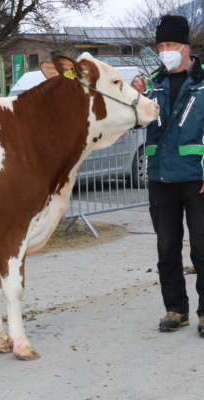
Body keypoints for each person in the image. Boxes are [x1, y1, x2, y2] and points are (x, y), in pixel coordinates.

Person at [132, 14, 204, 335]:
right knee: (166, 248)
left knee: (202, 247)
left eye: (170, 44)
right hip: (160, 178)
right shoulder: (152, 84)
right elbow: (133, 121)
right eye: (160, 45)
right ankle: (176, 309)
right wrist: (132, 97)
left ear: (185, 46)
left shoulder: (203, 82)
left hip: (196, 179)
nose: (164, 50)